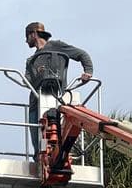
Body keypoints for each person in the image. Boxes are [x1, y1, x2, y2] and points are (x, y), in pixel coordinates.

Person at [24, 21, 93, 156]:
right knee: (38, 141)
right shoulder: (31, 61)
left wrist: (88, 72)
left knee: (56, 133)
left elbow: (82, 55)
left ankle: (55, 156)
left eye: (27, 37)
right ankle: (41, 158)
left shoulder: (57, 46)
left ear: (33, 34)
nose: (26, 41)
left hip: (57, 99)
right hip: (35, 103)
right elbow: (27, 80)